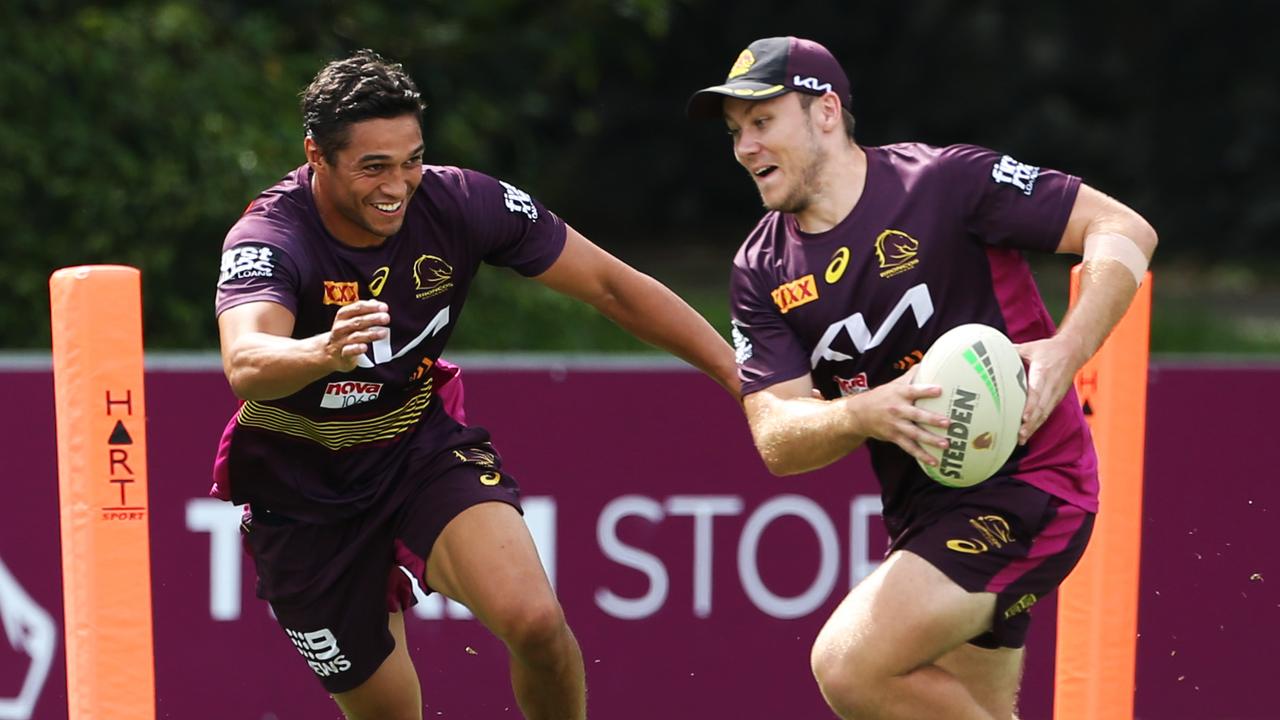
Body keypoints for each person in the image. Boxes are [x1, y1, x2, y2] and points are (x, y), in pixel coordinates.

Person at [212, 49, 738, 720]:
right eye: (373, 166)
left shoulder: (462, 202)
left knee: (536, 622)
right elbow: (246, 361)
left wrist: (738, 375)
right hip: (299, 492)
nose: (397, 186)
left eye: (411, 159)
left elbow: (611, 285)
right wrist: (323, 350)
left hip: (414, 450)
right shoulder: (271, 235)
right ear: (315, 154)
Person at [686, 36, 1156, 720]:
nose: (745, 149)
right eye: (735, 133)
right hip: (926, 513)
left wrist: (1067, 350)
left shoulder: (944, 184)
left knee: (849, 666)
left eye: (762, 123)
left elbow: (1123, 229)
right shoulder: (762, 270)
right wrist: (863, 413)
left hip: (1033, 484)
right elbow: (775, 437)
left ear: (825, 112)